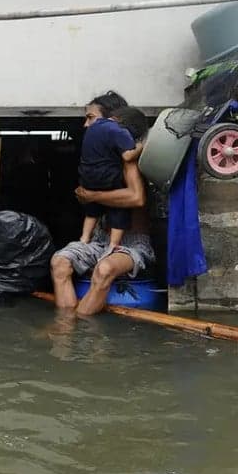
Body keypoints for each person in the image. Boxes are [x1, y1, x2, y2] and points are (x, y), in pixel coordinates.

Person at [52, 96, 156, 316]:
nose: (87, 125)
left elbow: (136, 198)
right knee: (59, 262)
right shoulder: (98, 158)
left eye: (91, 118)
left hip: (132, 245)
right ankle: (66, 323)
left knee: (105, 268)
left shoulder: (128, 161)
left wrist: (92, 196)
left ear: (113, 121)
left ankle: (70, 331)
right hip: (99, 241)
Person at [78, 106, 149, 251]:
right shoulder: (118, 130)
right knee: (118, 207)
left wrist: (93, 195)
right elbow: (127, 155)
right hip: (107, 176)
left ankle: (84, 239)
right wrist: (142, 145)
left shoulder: (93, 128)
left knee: (92, 211)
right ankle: (113, 245)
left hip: (87, 176)